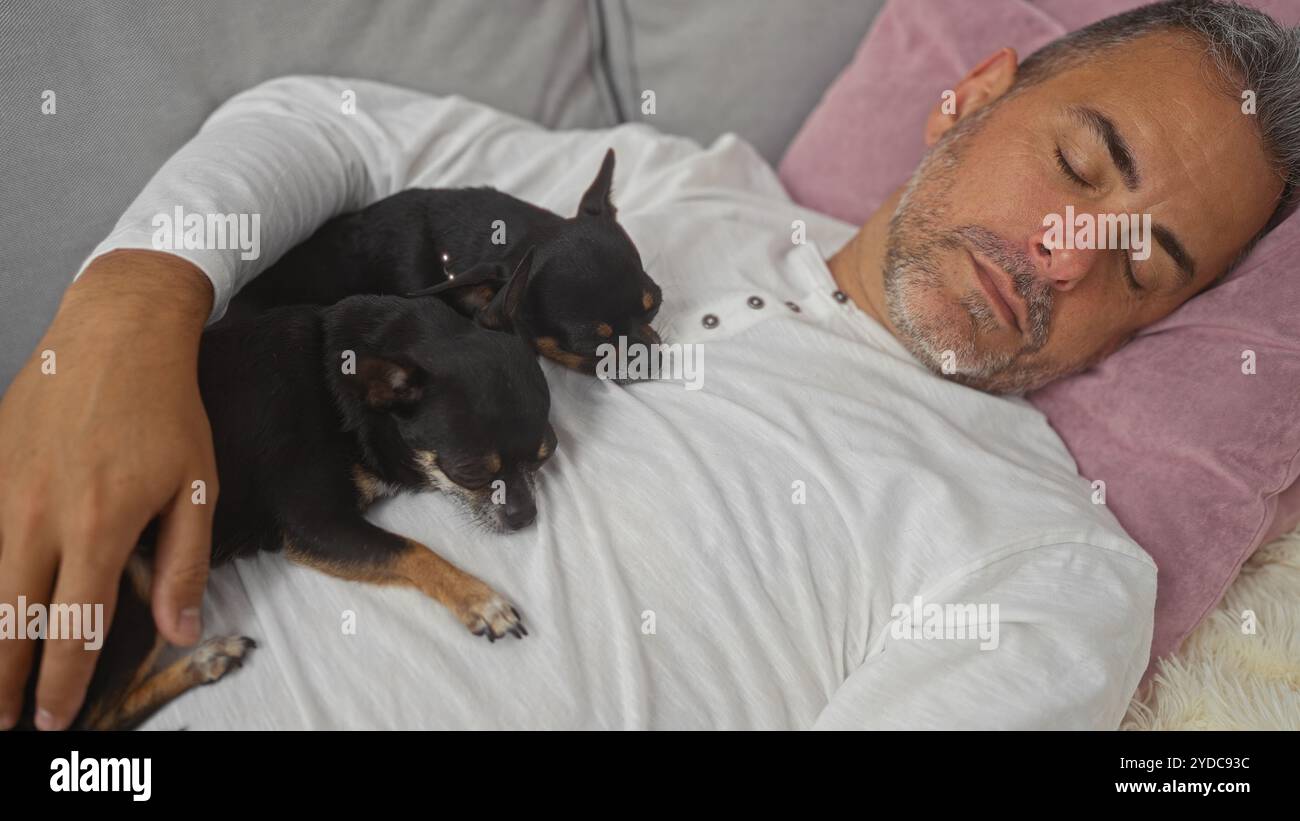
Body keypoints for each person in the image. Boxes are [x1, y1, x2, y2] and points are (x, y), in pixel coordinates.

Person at [2, 0, 1296, 729]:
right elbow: (320, 131)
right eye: (1078, 166)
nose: (1065, 256)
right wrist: (130, 309)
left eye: (1142, 264)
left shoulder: (1047, 564)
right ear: (975, 93)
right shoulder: (652, 192)